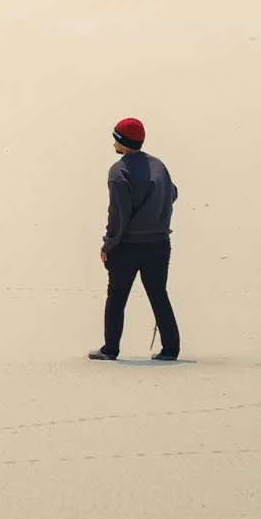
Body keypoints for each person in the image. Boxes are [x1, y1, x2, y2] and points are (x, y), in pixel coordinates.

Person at [90, 117, 181, 362]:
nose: (113, 144)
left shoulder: (119, 171)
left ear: (122, 142)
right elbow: (172, 193)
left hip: (128, 246)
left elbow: (118, 214)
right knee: (158, 294)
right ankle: (171, 349)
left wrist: (108, 243)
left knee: (117, 296)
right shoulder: (159, 165)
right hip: (160, 243)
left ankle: (111, 349)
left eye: (115, 139)